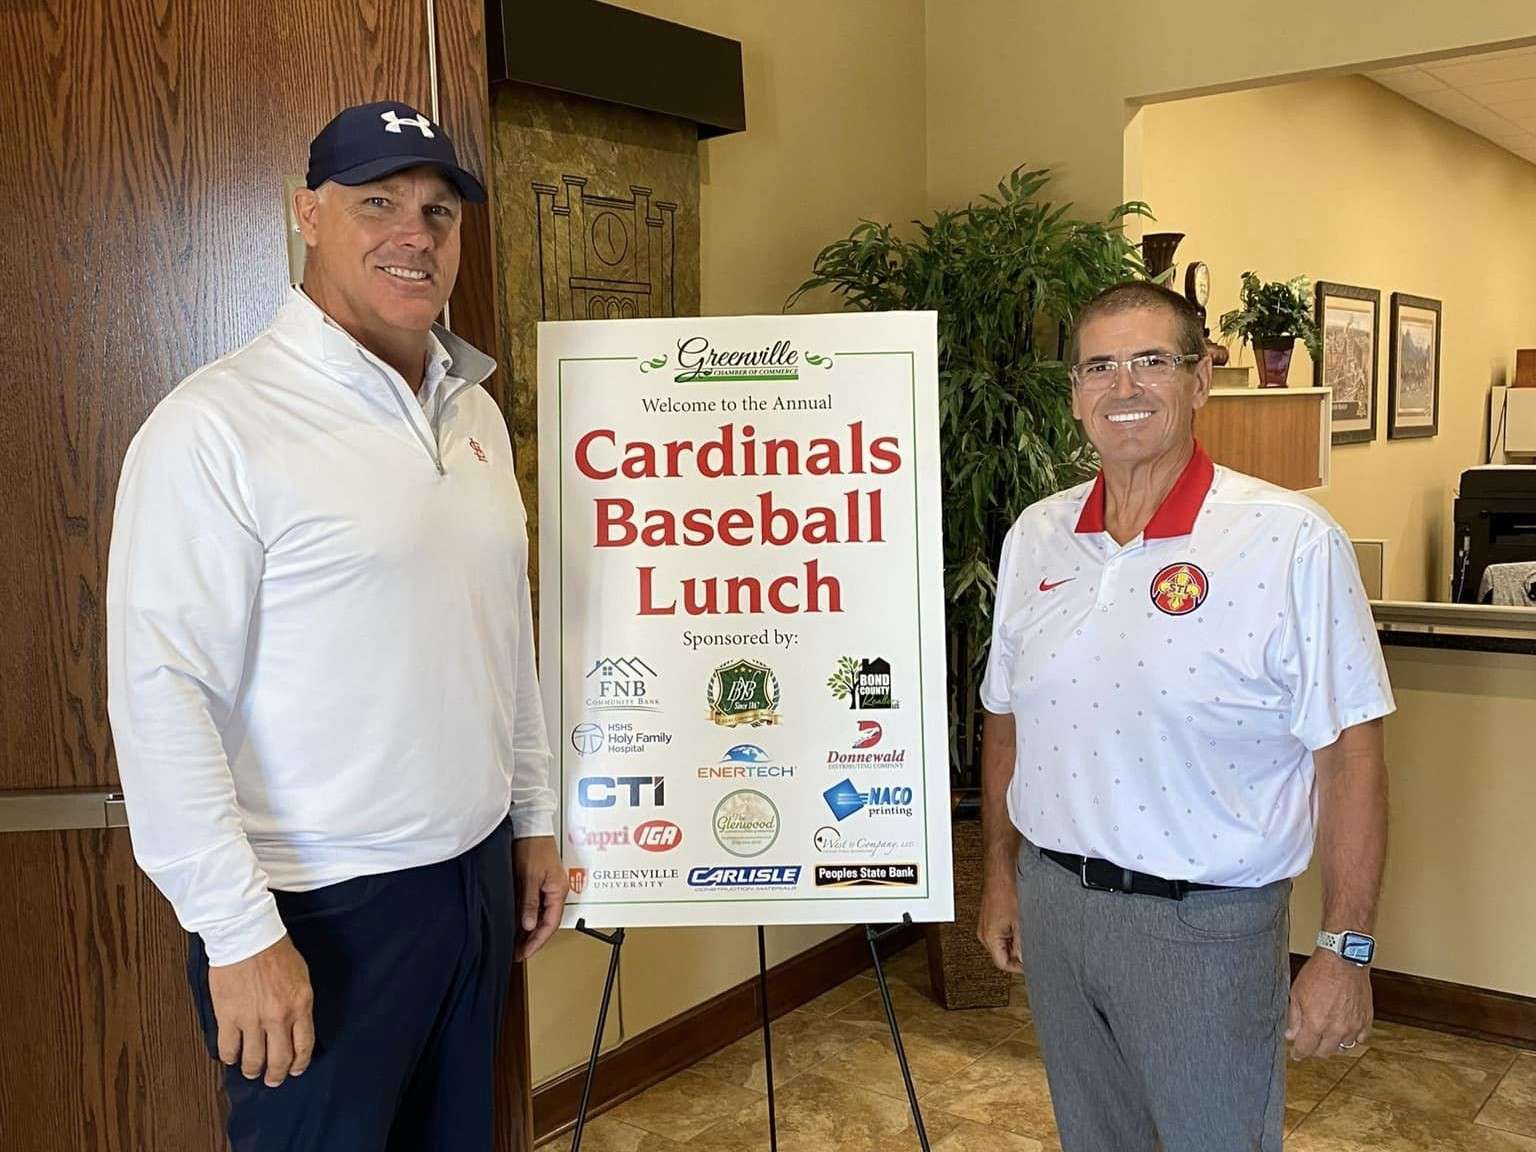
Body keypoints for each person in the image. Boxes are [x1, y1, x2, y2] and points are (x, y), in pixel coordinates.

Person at [106, 100, 565, 1151]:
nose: (416, 234)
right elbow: (160, 693)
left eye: (439, 212)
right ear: (307, 215)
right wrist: (238, 933)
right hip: (319, 916)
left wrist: (530, 819)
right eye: (378, 202)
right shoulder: (215, 428)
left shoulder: (476, 410)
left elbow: (504, 639)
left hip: (473, 887)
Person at [975, 281, 1393, 1151]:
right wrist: (1002, 876)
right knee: (1095, 1139)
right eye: (1100, 366)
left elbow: (1350, 759)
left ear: (1200, 379)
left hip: (1202, 928)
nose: (1123, 388)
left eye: (1151, 362)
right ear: (1076, 393)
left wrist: (1345, 950)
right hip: (1057, 906)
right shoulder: (1037, 536)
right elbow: (1006, 720)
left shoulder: (1287, 540)